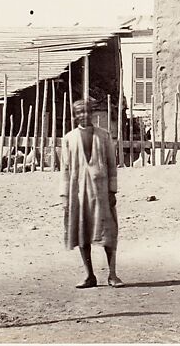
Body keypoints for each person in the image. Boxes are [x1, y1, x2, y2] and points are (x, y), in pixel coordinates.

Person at [60, 99, 122, 288]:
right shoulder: (69, 139)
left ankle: (112, 274)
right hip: (78, 192)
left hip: (101, 191)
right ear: (75, 116)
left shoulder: (104, 136)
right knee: (82, 232)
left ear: (92, 114)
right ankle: (89, 276)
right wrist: (64, 196)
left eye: (86, 112)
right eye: (79, 113)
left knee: (108, 232)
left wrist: (112, 190)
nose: (83, 116)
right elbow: (65, 169)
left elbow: (112, 165)